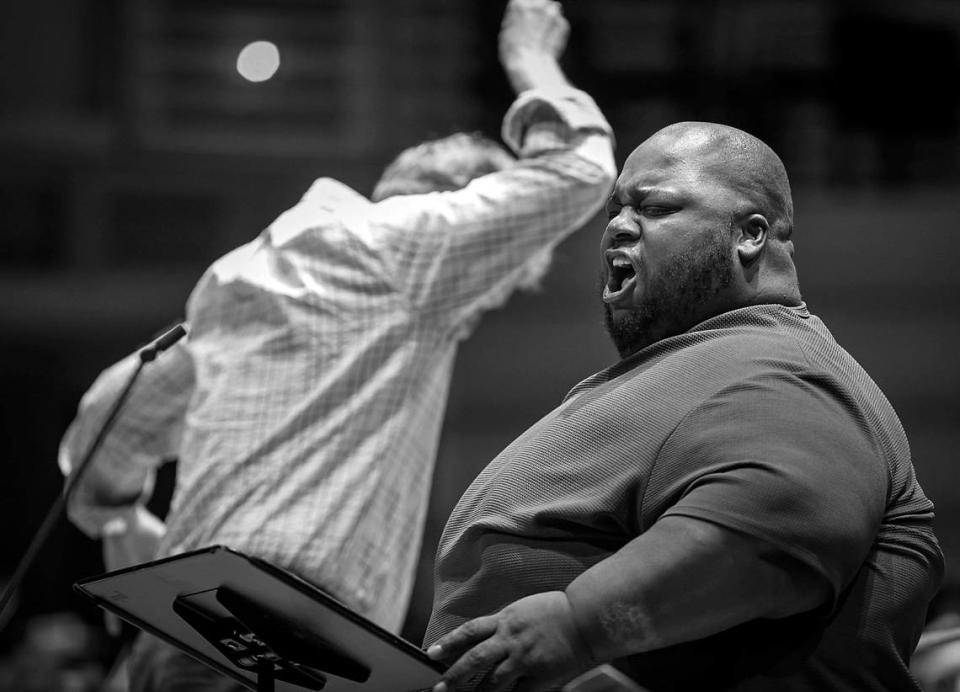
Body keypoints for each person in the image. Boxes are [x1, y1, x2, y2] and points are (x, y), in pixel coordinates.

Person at [56, 1, 615, 689]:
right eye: (489, 289)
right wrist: (532, 61)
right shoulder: (409, 249)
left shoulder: (246, 274)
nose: (475, 313)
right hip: (285, 646)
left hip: (176, 628)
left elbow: (109, 413)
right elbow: (577, 174)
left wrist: (117, 518)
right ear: (457, 215)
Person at [424, 121, 944, 691]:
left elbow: (779, 519)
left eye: (656, 208)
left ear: (749, 235)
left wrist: (581, 626)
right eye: (614, 210)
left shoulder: (781, 369)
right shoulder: (718, 364)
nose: (620, 227)